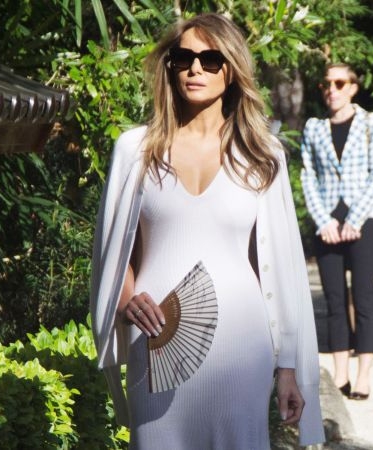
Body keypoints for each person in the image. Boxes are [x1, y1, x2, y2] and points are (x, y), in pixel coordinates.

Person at [89, 13, 324, 449]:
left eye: (211, 59)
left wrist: (288, 368)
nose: (196, 68)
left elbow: (281, 267)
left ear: (231, 70)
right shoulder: (134, 150)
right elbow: (113, 255)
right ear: (170, 67)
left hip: (243, 342)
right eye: (184, 58)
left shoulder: (262, 154)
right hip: (156, 337)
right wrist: (126, 302)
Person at [300, 63, 373, 400]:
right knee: (334, 301)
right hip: (327, 223)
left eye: (339, 83)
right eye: (326, 84)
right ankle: (340, 375)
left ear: (353, 87)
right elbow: (309, 175)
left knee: (363, 298)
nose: (331, 89)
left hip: (365, 219)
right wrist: (323, 220)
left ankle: (364, 376)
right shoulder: (314, 127)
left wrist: (356, 217)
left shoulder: (371, 123)